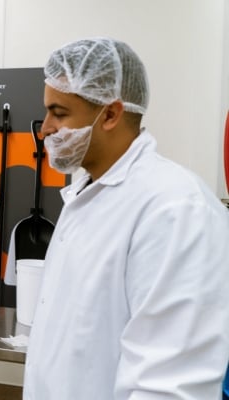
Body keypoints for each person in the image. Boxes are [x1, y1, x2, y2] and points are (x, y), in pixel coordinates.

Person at [22, 37, 229, 399]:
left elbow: (170, 386)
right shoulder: (86, 196)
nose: (45, 130)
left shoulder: (174, 208)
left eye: (59, 112)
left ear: (112, 114)